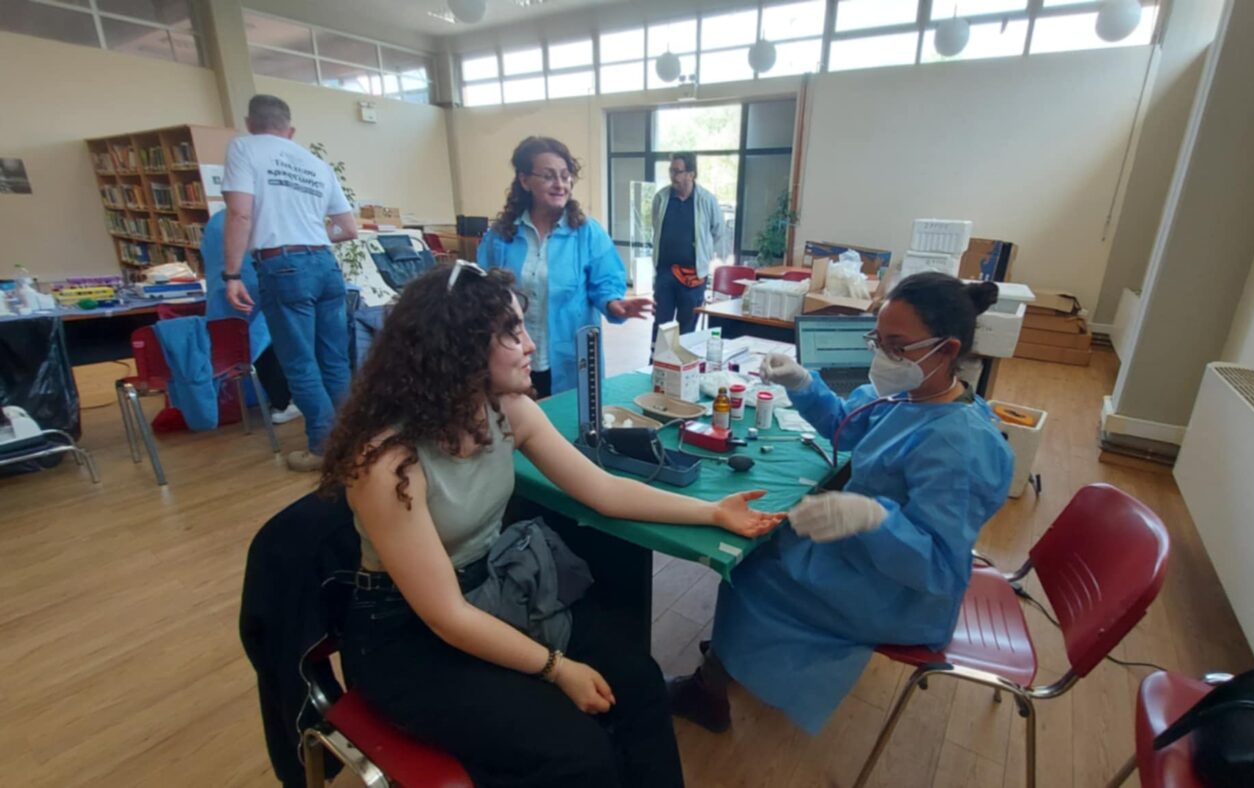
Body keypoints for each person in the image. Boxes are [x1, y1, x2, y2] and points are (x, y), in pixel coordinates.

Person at [318, 261, 786, 786]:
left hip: (491, 592)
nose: (530, 345)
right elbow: (446, 617)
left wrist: (713, 511)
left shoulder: (504, 411)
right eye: (511, 332)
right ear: (459, 347)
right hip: (405, 635)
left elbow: (604, 491)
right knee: (576, 751)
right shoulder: (388, 463)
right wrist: (557, 668)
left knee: (638, 680)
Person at [668, 272, 1015, 735]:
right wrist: (802, 383)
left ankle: (710, 690)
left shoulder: (959, 444)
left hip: (906, 595)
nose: (882, 357)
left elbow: (939, 568)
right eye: (878, 341)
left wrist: (876, 518)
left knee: (750, 569)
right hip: (874, 555)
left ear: (947, 349)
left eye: (897, 346)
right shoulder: (911, 395)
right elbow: (846, 426)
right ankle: (734, 653)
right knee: (765, 542)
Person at [221, 94, 357, 472]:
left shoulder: (244, 148)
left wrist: (232, 274)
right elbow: (348, 229)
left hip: (281, 265)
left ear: (250, 123)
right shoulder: (316, 164)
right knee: (334, 360)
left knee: (300, 362)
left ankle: (324, 448)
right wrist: (310, 238)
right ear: (291, 130)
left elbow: (239, 214)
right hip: (325, 264)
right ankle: (353, 442)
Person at [479, 137, 652, 397]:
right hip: (514, 354)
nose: (560, 184)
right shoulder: (502, 235)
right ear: (525, 181)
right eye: (548, 176)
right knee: (516, 417)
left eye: (565, 176)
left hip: (570, 356)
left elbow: (606, 281)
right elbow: (482, 290)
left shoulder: (587, 232)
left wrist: (613, 303)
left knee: (567, 416)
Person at [201, 210, 298, 424]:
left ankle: (277, 401)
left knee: (250, 346)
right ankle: (285, 402)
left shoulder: (216, 221)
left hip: (222, 298)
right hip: (256, 289)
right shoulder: (261, 216)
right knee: (273, 345)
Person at [649, 152, 726, 338]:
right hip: (665, 274)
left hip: (694, 276)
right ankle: (657, 357)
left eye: (677, 171)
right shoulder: (661, 198)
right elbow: (656, 227)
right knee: (661, 326)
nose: (673, 176)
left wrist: (708, 258)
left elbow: (719, 232)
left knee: (687, 329)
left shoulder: (707, 200)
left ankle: (682, 358)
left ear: (691, 174)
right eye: (671, 170)